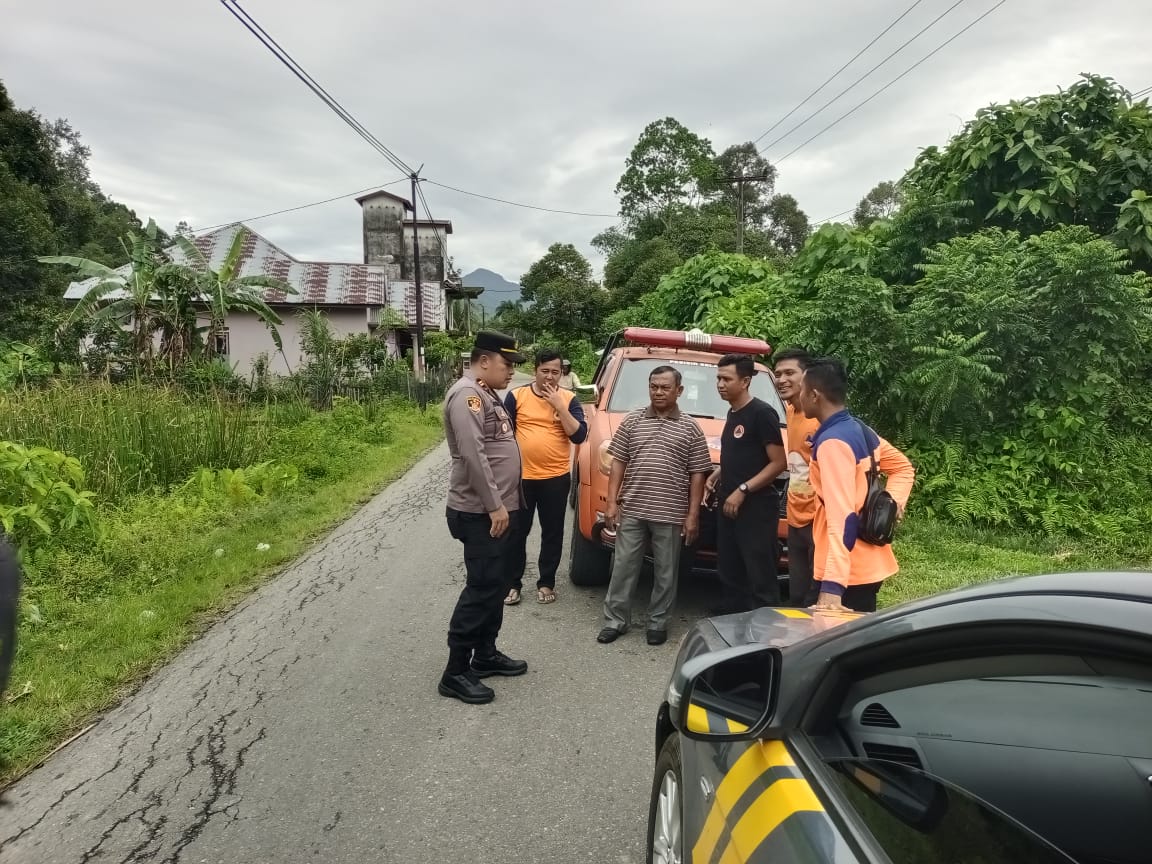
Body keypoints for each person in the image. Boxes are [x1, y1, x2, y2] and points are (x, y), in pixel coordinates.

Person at [440, 330, 530, 704]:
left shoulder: (487, 393)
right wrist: (495, 504)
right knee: (482, 587)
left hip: (496, 510)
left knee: (495, 584)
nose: (511, 371)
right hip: (479, 512)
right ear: (485, 360)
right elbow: (474, 455)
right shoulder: (467, 397)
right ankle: (456, 671)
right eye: (508, 364)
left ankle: (485, 654)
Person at [598, 366, 712, 646]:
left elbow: (698, 474)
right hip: (633, 508)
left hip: (670, 512)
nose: (658, 392)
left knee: (665, 571)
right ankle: (615, 621)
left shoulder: (690, 428)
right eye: (654, 387)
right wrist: (612, 503)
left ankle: (658, 623)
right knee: (624, 567)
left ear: (679, 391)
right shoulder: (632, 421)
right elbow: (618, 463)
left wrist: (693, 514)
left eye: (665, 387)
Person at [799, 358, 916, 613]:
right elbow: (903, 468)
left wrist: (832, 589)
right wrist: (891, 505)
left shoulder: (833, 443)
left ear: (814, 395)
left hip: (844, 572)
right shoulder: (859, 430)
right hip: (869, 563)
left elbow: (843, 520)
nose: (799, 397)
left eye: (801, 390)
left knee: (823, 646)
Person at [504, 349, 588, 605]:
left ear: (562, 373)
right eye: (545, 371)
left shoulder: (570, 399)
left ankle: (546, 582)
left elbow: (579, 436)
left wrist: (560, 407)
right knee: (517, 532)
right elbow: (503, 436)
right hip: (522, 478)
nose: (550, 377)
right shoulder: (516, 396)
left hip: (556, 478)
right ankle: (512, 584)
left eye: (556, 372)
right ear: (535, 371)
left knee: (552, 532)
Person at [704, 354, 787, 614]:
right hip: (728, 501)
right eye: (718, 378)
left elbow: (778, 463)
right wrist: (717, 474)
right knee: (729, 565)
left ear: (746, 381)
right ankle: (732, 615)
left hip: (756, 506)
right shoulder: (732, 412)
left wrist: (743, 490)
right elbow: (742, 455)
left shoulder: (762, 413)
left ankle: (764, 626)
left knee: (759, 568)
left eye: (726, 379)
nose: (720, 384)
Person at [772, 347, 821, 607]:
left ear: (808, 376)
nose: (781, 379)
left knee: (817, 594)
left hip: (819, 520)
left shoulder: (822, 419)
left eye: (790, 373)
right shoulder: (790, 411)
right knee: (798, 593)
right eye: (778, 373)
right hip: (795, 515)